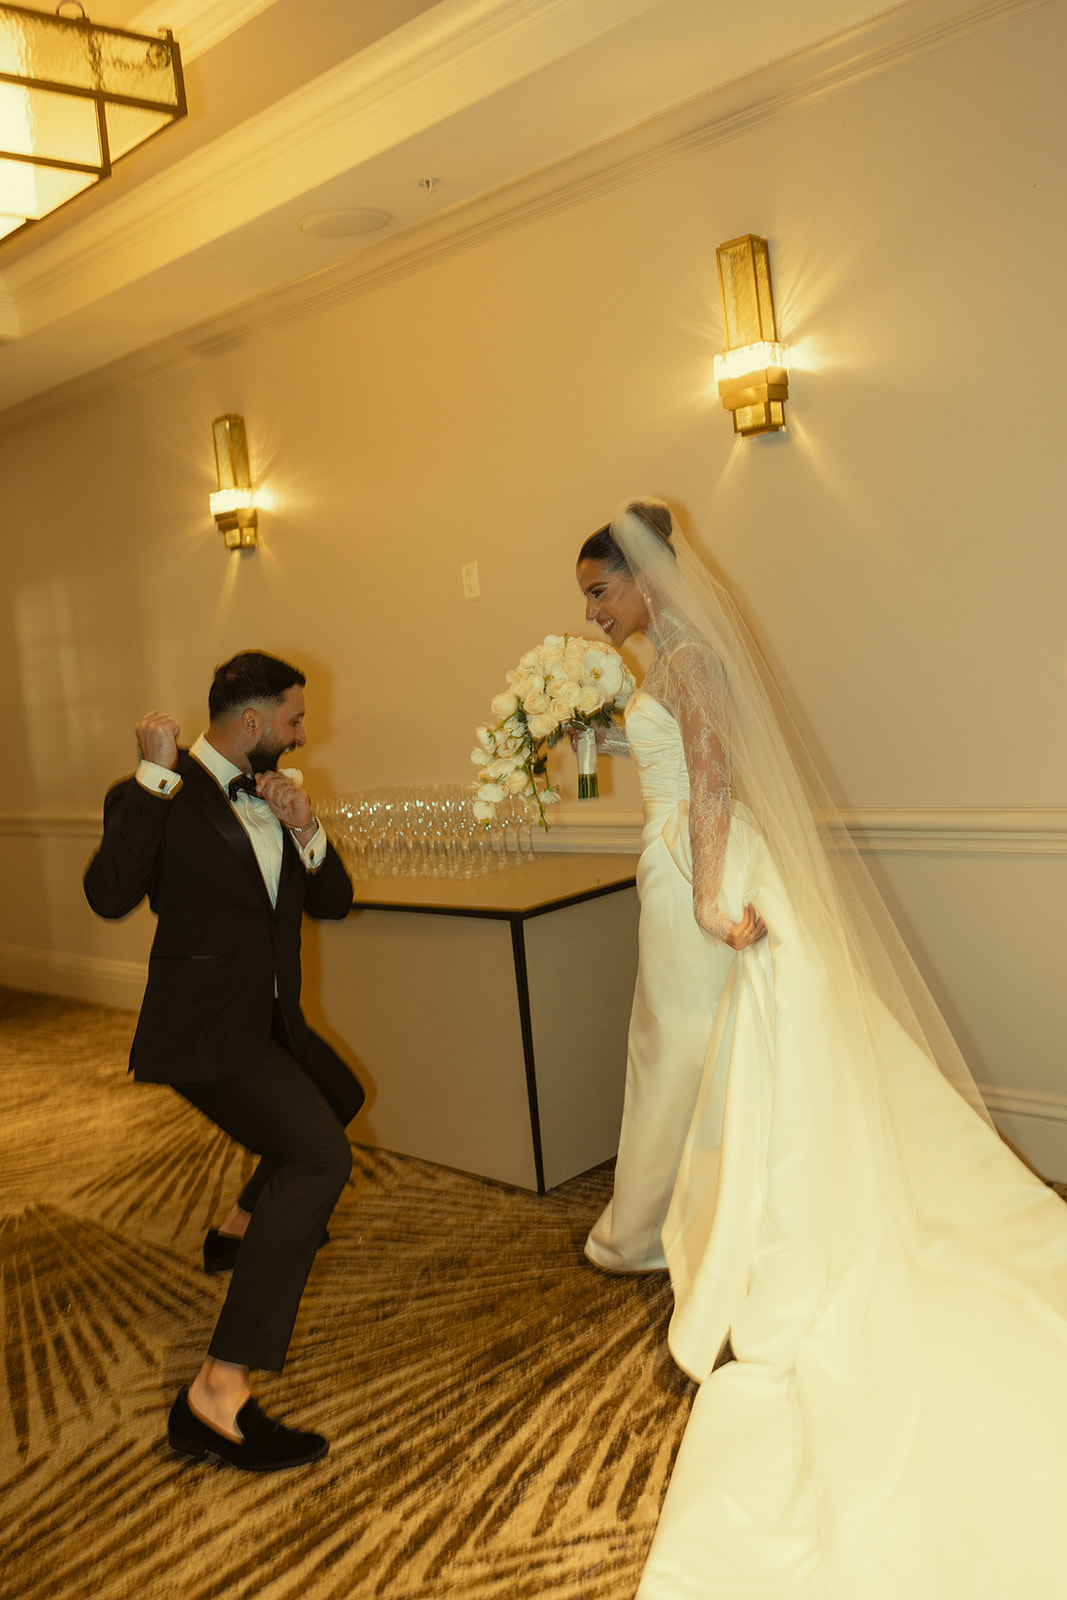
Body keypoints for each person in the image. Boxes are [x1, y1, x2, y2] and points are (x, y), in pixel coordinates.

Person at [577, 500, 1067, 1597]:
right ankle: (676, 1214)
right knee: (702, 1056)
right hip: (678, 864)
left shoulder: (688, 660)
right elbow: (673, 756)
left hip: (696, 876)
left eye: (602, 589)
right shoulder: (669, 662)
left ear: (647, 579)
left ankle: (654, 1224)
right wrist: (593, 733)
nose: (596, 611)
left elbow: (709, 779)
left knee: (682, 1050)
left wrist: (706, 894)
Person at [84, 650, 363, 1472]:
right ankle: (217, 1392)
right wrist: (151, 776)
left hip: (271, 1019)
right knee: (318, 1157)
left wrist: (306, 828)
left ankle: (239, 1226)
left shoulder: (279, 796)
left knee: (338, 1092)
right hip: (204, 1029)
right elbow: (108, 896)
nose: (302, 732)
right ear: (251, 723)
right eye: (294, 720)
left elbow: (335, 901)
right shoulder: (159, 792)